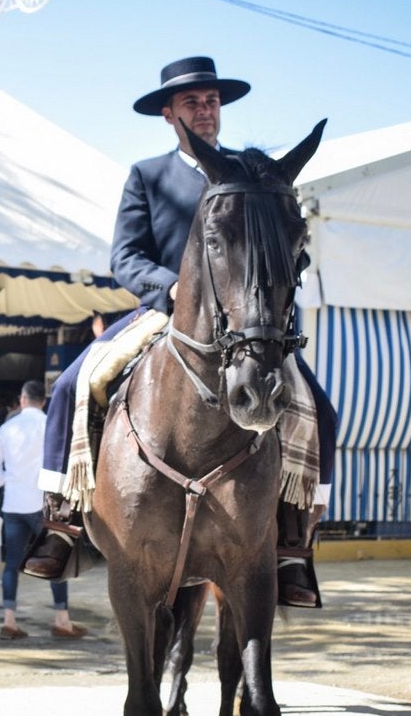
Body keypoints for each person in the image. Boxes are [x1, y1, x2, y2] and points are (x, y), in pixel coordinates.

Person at [24, 56, 338, 609]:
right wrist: (168, 286)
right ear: (169, 114)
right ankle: (63, 521)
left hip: (241, 323)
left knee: (317, 406)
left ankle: (292, 544)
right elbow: (125, 256)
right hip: (167, 314)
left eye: (212, 100)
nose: (205, 109)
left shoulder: (250, 173)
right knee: (75, 382)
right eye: (192, 102)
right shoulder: (147, 175)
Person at [0, 380, 86, 640]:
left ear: (22, 399)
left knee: (11, 565)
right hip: (44, 506)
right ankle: (62, 620)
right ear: (44, 401)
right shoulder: (50, 425)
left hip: (13, 505)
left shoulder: (8, 427)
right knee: (55, 561)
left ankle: (9, 621)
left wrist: (8, 482)